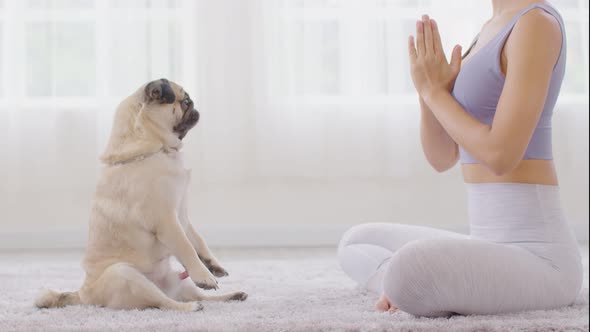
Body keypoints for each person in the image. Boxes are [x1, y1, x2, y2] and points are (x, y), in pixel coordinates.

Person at [337, 0, 583, 317]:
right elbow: (441, 157)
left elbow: (500, 154)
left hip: (541, 259)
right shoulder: (489, 27)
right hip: (487, 243)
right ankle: (417, 284)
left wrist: (434, 93)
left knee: (410, 266)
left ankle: (414, 283)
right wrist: (428, 93)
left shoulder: (536, 23)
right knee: (357, 242)